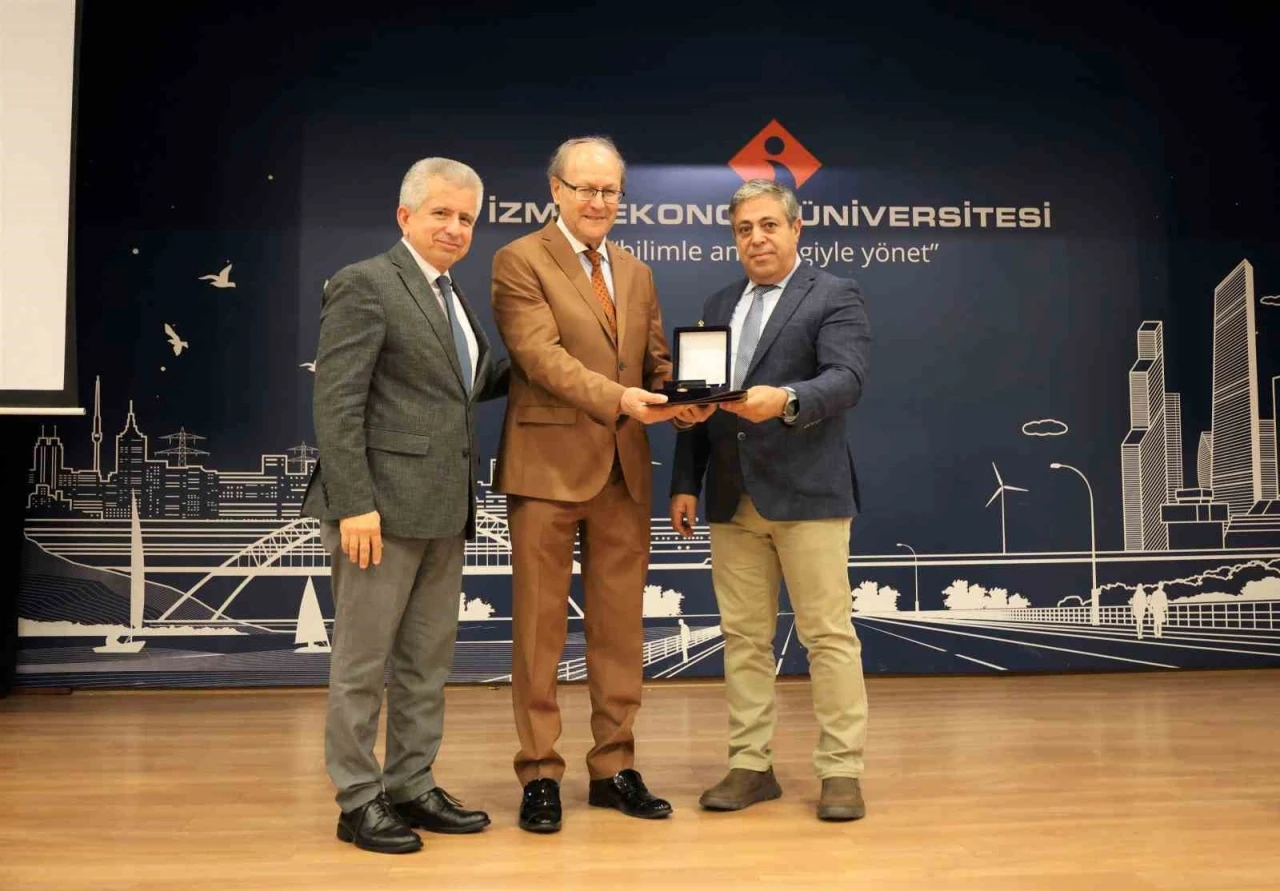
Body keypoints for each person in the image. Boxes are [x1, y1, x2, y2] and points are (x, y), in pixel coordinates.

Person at [491, 135, 709, 833]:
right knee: (539, 632)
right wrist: (622, 399)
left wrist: (687, 398)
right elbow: (540, 357)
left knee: (620, 628)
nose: (598, 201)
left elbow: (654, 362)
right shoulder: (518, 259)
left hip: (622, 471)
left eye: (610, 190)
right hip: (545, 470)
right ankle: (539, 772)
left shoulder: (636, 271)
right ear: (555, 190)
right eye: (585, 188)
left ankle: (614, 767)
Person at [303, 157, 510, 854]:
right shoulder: (365, 283)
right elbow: (337, 402)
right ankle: (358, 800)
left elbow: (471, 383)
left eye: (466, 218)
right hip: (378, 513)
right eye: (441, 213)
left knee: (426, 664)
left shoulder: (452, 296)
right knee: (362, 665)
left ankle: (411, 784)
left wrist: (553, 354)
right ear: (405, 216)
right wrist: (353, 504)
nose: (455, 228)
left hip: (444, 509)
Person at [669, 178, 872, 822]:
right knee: (743, 639)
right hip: (732, 497)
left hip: (808, 493)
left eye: (767, 226)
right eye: (743, 230)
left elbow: (846, 379)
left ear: (795, 229)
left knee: (827, 637)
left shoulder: (834, 294)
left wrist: (786, 400)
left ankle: (841, 771)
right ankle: (750, 765)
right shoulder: (719, 302)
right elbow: (698, 401)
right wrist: (684, 482)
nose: (755, 239)